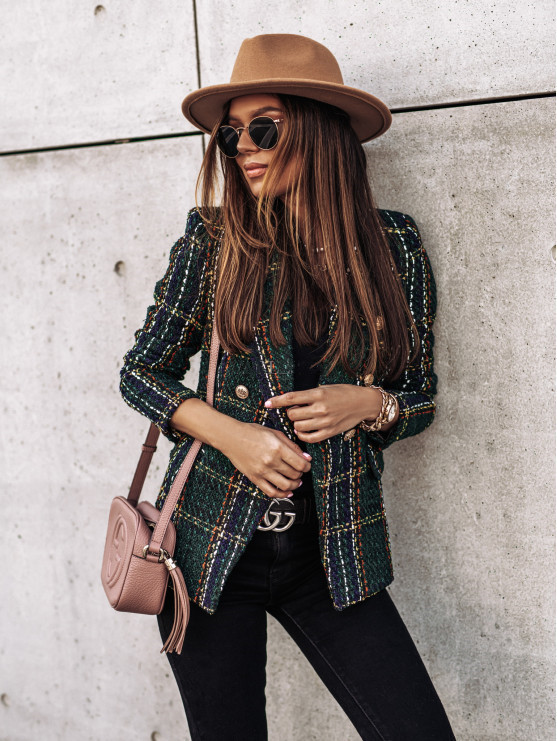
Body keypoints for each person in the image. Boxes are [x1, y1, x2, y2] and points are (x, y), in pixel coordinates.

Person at [120, 34, 455, 741]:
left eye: (265, 128)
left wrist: (370, 404)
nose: (243, 146)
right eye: (231, 133)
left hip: (333, 552)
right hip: (208, 551)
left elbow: (419, 393)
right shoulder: (214, 242)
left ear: (320, 131)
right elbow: (140, 371)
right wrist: (233, 437)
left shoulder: (392, 246)